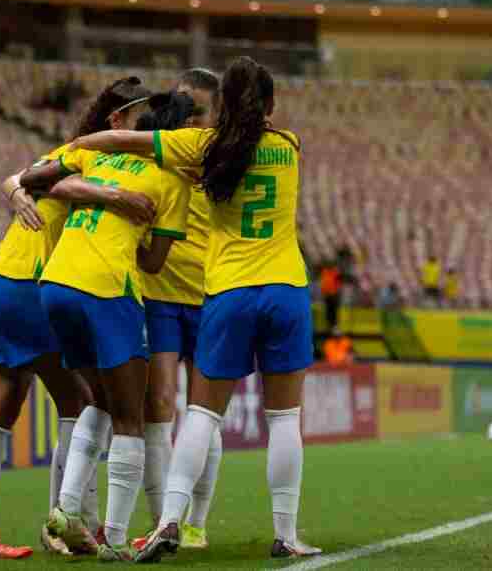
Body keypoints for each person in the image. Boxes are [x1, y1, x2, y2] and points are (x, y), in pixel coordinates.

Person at [67, 56, 321, 561]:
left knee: (202, 414)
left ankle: (168, 521)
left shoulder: (202, 146)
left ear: (221, 104)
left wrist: (79, 146)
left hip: (227, 292)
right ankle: (286, 534)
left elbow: (120, 141)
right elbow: (257, 135)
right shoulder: (289, 147)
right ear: (270, 105)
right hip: (285, 289)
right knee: (285, 418)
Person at [0, 77, 162, 561]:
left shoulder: (75, 154)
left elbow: (21, 175)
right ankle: (67, 520)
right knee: (85, 400)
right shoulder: (97, 157)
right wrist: (111, 198)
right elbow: (33, 179)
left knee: (2, 401)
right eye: (140, 121)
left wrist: (15, 188)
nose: (149, 134)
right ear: (117, 121)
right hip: (29, 282)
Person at [23, 94, 194, 562]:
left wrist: (93, 195)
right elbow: (155, 263)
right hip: (107, 288)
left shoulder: (102, 155)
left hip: (56, 283)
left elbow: (36, 180)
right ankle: (114, 539)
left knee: (95, 402)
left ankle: (65, 510)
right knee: (130, 417)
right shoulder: (174, 179)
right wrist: (129, 232)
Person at [133, 69, 223, 552]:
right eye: (185, 108)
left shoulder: (221, 156)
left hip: (210, 294)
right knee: (161, 404)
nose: (191, 120)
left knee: (204, 412)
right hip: (161, 292)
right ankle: (161, 519)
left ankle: (196, 522)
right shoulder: (158, 148)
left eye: (201, 111)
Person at [319, 261, 342, 333]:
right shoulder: (325, 272)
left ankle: (334, 326)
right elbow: (323, 283)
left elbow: (338, 283)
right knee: (328, 311)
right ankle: (329, 326)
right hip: (327, 295)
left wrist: (336, 292)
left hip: (333, 295)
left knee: (333, 311)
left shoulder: (335, 273)